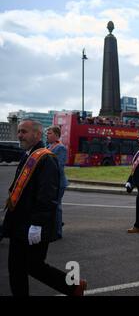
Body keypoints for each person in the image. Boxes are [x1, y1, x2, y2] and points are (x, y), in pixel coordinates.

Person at [2, 119, 86, 296]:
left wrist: (37, 225)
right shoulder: (29, 155)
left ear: (37, 134)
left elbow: (47, 195)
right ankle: (73, 287)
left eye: (24, 132)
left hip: (32, 224)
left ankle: (73, 286)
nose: (19, 135)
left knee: (34, 266)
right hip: (19, 223)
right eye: (18, 131)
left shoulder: (45, 158)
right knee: (17, 269)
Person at [46, 126, 68, 239]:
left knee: (56, 206)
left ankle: (57, 232)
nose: (47, 135)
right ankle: (53, 227)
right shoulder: (49, 146)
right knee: (51, 206)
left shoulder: (60, 148)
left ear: (56, 135)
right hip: (51, 182)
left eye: (49, 133)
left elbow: (59, 166)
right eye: (47, 133)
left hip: (58, 182)